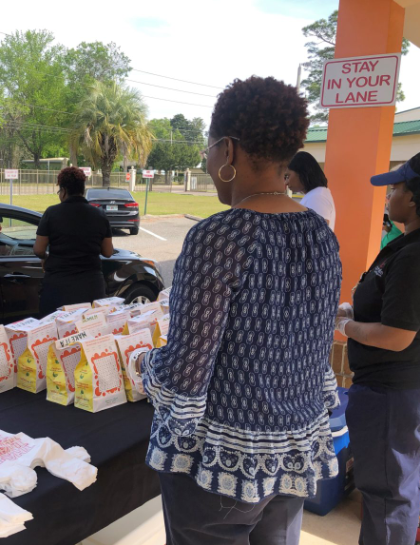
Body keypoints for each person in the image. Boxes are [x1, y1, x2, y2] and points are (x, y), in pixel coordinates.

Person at [129, 76, 342, 545]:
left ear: (228, 150)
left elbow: (185, 376)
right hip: (295, 446)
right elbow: (312, 344)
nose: (206, 162)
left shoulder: (219, 237)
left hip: (222, 464)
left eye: (207, 150)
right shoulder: (321, 235)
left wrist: (144, 365)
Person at [335, 150, 420, 545]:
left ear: (414, 197)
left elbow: (397, 336)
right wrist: (356, 307)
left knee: (386, 497)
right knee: (394, 490)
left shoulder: (419, 256)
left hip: (393, 393)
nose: (388, 196)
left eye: (394, 188)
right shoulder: (410, 244)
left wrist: (348, 326)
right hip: (397, 391)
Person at [33, 166, 114, 315]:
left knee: (56, 334)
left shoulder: (51, 213)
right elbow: (108, 252)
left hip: (58, 288)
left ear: (63, 190)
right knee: (89, 332)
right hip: (91, 287)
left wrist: (45, 257)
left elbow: (38, 249)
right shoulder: (99, 215)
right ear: (82, 190)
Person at [285, 151, 336, 230]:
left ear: (302, 173)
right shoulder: (315, 194)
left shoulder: (317, 197)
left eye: (288, 176)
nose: (286, 182)